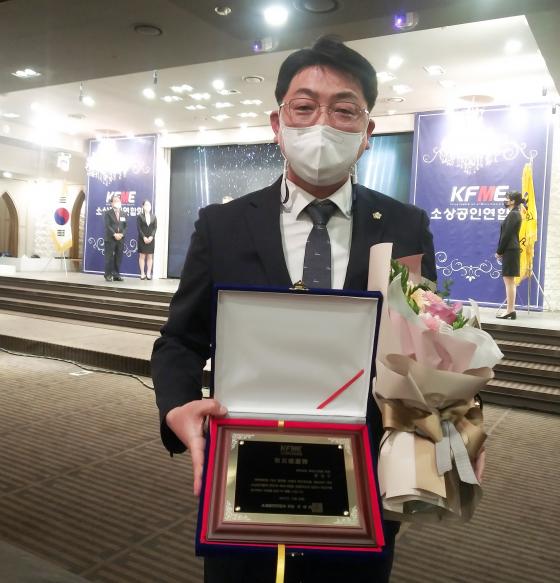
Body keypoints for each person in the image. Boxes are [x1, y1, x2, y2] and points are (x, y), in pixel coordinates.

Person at [152, 36, 438, 583]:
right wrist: (178, 405)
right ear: (277, 124)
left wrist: (456, 421)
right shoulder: (222, 225)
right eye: (304, 107)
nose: (322, 123)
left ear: (368, 132)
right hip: (243, 475)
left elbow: (425, 344)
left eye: (345, 110)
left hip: (363, 480)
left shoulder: (405, 226)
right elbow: (180, 341)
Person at [496, 190, 524, 319]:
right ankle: (510, 310)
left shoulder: (514, 214)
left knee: (509, 282)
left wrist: (499, 251)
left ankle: (510, 310)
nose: (505, 200)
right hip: (511, 250)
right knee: (509, 281)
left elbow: (506, 235)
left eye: (507, 198)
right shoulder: (514, 213)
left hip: (510, 250)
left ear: (512, 201)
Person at [103, 194, 127, 282]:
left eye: (118, 201)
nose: (117, 202)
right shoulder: (107, 213)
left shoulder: (124, 213)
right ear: (111, 203)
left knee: (118, 257)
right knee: (109, 257)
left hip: (120, 239)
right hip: (110, 238)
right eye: (115, 201)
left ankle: (116, 274)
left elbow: (125, 226)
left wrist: (122, 234)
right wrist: (114, 234)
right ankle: (108, 275)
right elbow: (107, 225)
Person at [137, 199, 157, 280]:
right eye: (146, 205)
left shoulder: (154, 216)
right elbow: (139, 228)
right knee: (142, 256)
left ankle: (148, 273)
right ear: (143, 206)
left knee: (150, 256)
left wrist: (151, 236)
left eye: (149, 205)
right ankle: (142, 273)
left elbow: (155, 228)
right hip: (142, 239)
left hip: (151, 239)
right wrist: (144, 237)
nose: (148, 206)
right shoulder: (140, 216)